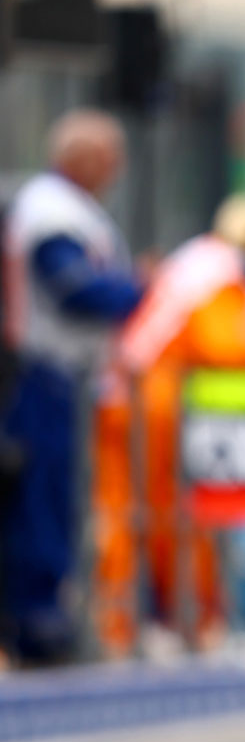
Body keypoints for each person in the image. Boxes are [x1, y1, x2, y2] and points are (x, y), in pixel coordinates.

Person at [93, 195, 245, 656]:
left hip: (132, 394)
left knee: (132, 513)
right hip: (158, 402)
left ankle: (129, 623)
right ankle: (180, 621)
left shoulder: (201, 259)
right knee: (169, 515)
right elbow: (230, 346)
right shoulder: (226, 272)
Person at [1, 111, 142, 664]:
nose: (117, 169)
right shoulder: (52, 211)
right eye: (110, 156)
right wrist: (139, 292)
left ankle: (47, 615)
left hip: (63, 376)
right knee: (41, 500)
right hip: (45, 373)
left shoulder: (63, 207)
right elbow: (76, 289)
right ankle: (38, 623)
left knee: (59, 499)